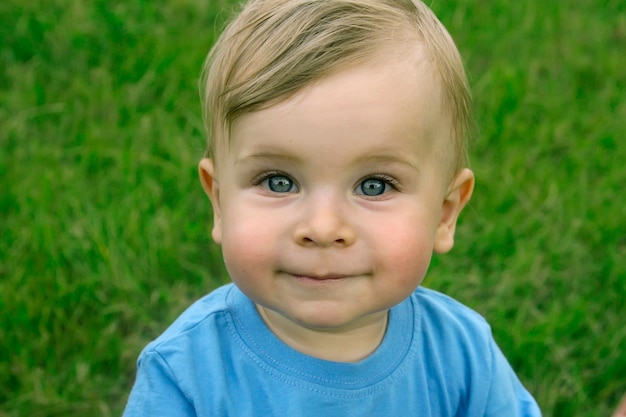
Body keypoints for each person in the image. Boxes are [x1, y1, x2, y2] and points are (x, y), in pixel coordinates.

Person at [123, 0, 542, 415]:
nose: (322, 228)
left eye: (374, 186)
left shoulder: (464, 359)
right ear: (219, 201)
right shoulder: (185, 375)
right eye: (278, 182)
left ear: (445, 213)